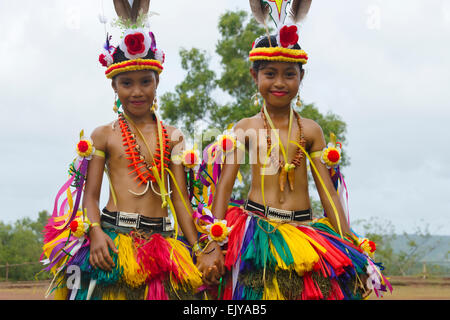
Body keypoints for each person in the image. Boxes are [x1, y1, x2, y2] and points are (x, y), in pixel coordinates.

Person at [196, 0, 392, 300]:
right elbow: (224, 184)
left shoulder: (311, 130)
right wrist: (214, 242)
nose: (279, 82)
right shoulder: (246, 127)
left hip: (305, 233)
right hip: (256, 235)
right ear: (254, 76)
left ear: (302, 78)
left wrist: (350, 244)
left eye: (289, 74)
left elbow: (327, 192)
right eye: (269, 73)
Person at [41, 0, 223, 300]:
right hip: (114, 240)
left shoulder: (173, 136)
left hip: (163, 242)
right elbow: (90, 195)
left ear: (157, 82)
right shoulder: (104, 135)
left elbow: (179, 198)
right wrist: (95, 232)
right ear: (114, 86)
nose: (137, 91)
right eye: (126, 83)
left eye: (145, 82)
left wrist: (199, 246)